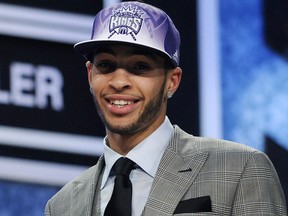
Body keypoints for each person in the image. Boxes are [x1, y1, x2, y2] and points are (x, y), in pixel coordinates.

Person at [45, 1, 287, 215]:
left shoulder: (240, 168)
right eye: (106, 65)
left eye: (139, 67)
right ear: (90, 75)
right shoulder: (62, 206)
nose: (119, 82)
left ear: (172, 81)